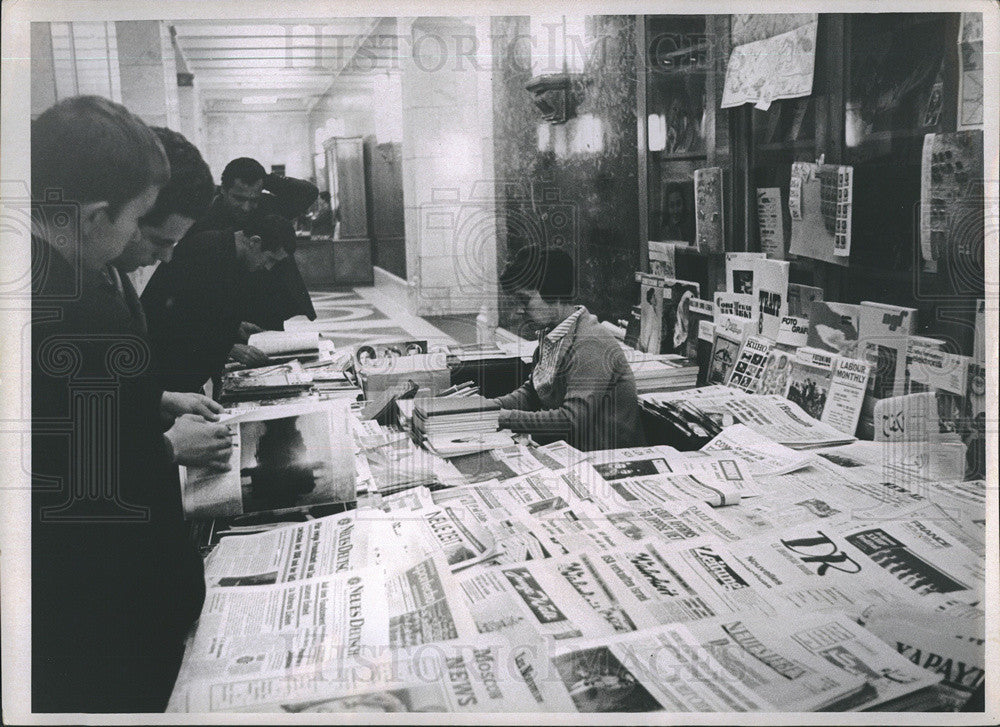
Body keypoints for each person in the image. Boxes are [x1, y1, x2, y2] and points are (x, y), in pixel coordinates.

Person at [31, 96, 206, 712]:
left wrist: (149, 401)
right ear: (97, 215)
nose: (139, 242)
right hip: (95, 608)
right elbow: (77, 481)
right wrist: (168, 449)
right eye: (137, 223)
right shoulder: (70, 302)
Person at [112, 125, 233, 470]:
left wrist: (161, 400)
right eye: (159, 240)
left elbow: (111, 389)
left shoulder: (110, 267)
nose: (165, 258)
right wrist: (167, 448)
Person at [490, 245, 644, 451]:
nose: (519, 310)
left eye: (524, 300)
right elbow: (532, 393)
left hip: (604, 457)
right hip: (573, 451)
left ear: (553, 292)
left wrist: (505, 418)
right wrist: (488, 407)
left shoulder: (590, 343)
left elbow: (570, 420)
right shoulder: (554, 334)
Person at [142, 212, 296, 394]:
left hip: (180, 368)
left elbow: (202, 310)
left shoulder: (225, 252)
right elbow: (177, 319)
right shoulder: (208, 253)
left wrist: (235, 326)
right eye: (270, 259)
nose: (268, 267)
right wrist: (229, 348)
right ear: (254, 241)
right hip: (165, 369)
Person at [185, 156, 318, 333]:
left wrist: (266, 178)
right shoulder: (204, 219)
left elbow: (308, 192)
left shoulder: (268, 205)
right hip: (228, 305)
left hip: (268, 303)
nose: (246, 207)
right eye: (238, 198)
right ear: (223, 190)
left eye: (253, 199)